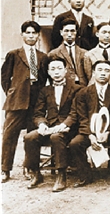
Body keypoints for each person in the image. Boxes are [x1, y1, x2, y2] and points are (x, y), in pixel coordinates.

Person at [23, 57, 82, 192]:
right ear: (48, 72)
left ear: (66, 70)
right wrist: (42, 124)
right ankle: (36, 173)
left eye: (59, 68)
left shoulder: (76, 89)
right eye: (53, 69)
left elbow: (76, 113)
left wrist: (65, 124)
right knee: (29, 137)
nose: (56, 72)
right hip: (50, 126)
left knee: (56, 137)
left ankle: (61, 175)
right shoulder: (45, 90)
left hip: (69, 129)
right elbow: (38, 113)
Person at [1, 21, 48, 183]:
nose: (31, 36)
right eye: (28, 33)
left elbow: (43, 80)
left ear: (38, 36)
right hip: (17, 101)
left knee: (31, 136)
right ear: (22, 35)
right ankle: (5, 169)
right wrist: (13, 93)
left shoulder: (43, 57)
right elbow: (5, 78)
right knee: (9, 135)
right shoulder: (14, 54)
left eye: (34, 33)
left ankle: (30, 168)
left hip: (35, 101)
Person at [69, 60, 110, 189]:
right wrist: (90, 135)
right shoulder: (83, 93)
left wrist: (108, 132)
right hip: (89, 131)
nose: (103, 73)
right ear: (93, 73)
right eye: (99, 70)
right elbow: (82, 117)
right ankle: (85, 175)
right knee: (75, 143)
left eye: (107, 71)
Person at [48, 18, 88, 86]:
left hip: (82, 87)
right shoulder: (54, 53)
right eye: (66, 31)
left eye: (72, 31)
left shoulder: (85, 53)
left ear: (76, 32)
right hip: (64, 87)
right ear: (61, 32)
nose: (69, 34)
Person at [84, 23, 110, 88]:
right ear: (97, 34)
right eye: (104, 32)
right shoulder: (89, 54)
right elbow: (89, 75)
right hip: (96, 88)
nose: (107, 35)